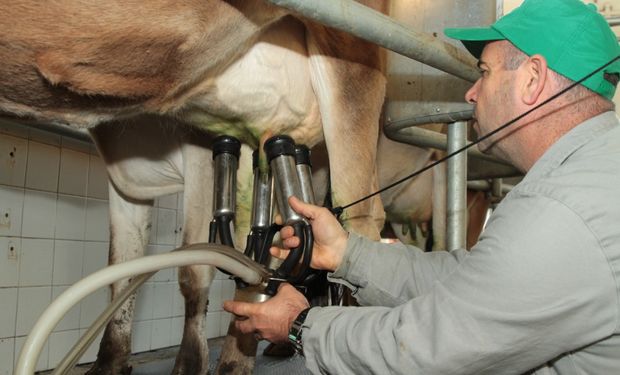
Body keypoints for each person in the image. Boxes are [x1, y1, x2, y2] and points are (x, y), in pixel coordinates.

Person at [224, 0, 620, 373]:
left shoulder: (564, 211)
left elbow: (434, 349)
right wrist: (346, 253)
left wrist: (300, 324)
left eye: (484, 72)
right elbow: (471, 284)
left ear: (532, 79)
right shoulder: (588, 177)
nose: (471, 92)